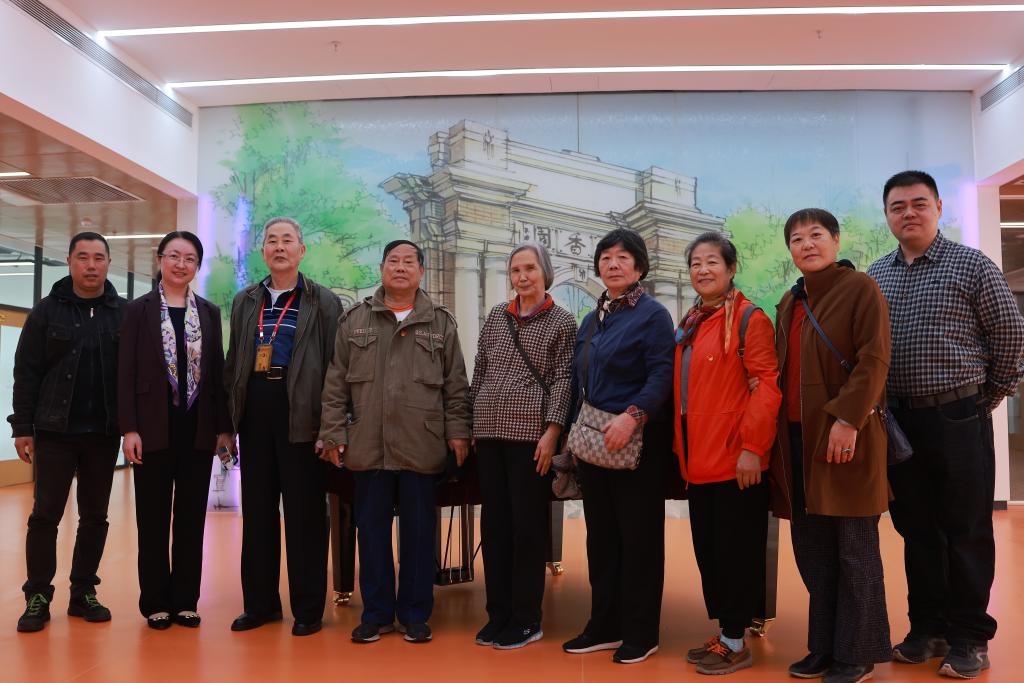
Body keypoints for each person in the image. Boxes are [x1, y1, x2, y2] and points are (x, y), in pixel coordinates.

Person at [867, 170, 1024, 679]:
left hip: (958, 415)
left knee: (966, 529)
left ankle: (969, 637)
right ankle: (927, 629)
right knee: (916, 530)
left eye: (918, 203)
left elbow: (1011, 336)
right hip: (899, 420)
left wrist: (984, 399)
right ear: (887, 215)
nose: (908, 213)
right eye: (897, 206)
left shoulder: (972, 265)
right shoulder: (877, 274)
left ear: (938, 207)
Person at [319, 239, 471, 645]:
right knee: (371, 534)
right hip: (369, 446)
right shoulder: (355, 320)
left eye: (408, 262)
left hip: (421, 445)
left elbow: (456, 386)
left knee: (419, 536)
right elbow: (335, 384)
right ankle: (377, 614)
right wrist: (333, 432)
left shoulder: (440, 323)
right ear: (382, 269)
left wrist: (458, 432)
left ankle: (415, 615)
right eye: (393, 261)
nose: (400, 267)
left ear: (421, 271)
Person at [770, 209, 892, 683]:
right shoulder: (790, 301)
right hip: (797, 444)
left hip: (847, 438)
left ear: (836, 241)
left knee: (854, 550)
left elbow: (874, 359)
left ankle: (857, 653)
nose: (807, 244)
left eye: (816, 235)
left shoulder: (860, 288)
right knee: (814, 551)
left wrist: (847, 418)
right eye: (796, 239)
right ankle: (823, 646)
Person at [223, 217, 342, 637]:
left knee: (305, 515)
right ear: (263, 251)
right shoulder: (245, 301)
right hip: (255, 413)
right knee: (257, 513)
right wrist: (228, 424)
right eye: (271, 241)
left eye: (287, 240)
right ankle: (260, 605)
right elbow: (234, 361)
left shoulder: (322, 301)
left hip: (303, 417)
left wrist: (331, 428)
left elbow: (336, 368)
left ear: (301, 250)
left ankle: (308, 609)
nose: (279, 247)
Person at [561, 228, 675, 665]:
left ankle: (641, 632)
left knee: (639, 541)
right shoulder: (593, 319)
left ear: (639, 266)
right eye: (606, 257)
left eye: (623, 257)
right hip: (595, 443)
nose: (612, 264)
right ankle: (604, 625)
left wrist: (633, 415)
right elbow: (580, 379)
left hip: (636, 443)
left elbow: (661, 374)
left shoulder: (653, 315)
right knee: (602, 540)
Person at [673, 232, 781, 675]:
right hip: (698, 459)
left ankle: (736, 641)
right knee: (711, 553)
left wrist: (753, 448)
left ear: (731, 269)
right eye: (695, 263)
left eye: (712, 262)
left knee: (737, 553)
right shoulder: (693, 321)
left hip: (736, 461)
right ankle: (726, 634)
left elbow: (767, 386)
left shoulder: (750, 319)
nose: (703, 270)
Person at [10, 232, 127, 632]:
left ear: (108, 262)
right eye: (83, 257)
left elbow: (134, 376)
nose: (91, 265)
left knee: (95, 516)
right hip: (54, 431)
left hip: (103, 433)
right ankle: (38, 596)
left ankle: (83, 592)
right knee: (46, 516)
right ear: (70, 262)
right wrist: (22, 426)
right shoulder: (46, 312)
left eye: (98, 257)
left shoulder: (124, 314)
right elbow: (26, 372)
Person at [118, 231, 233, 629]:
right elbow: (125, 372)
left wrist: (223, 429)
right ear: (160, 259)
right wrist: (129, 428)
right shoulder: (138, 310)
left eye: (190, 258)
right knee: (152, 521)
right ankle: (155, 601)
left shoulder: (209, 312)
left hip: (197, 430)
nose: (181, 264)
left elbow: (217, 375)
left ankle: (185, 599)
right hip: (152, 430)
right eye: (174, 256)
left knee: (190, 521)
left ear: (197, 266)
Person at [469, 242, 576, 649]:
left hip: (531, 437)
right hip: (489, 433)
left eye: (530, 268)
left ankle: (527, 619)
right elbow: (481, 368)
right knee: (495, 526)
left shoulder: (562, 321)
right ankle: (497, 614)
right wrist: (473, 421)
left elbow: (564, 378)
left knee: (527, 528)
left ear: (545, 272)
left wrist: (553, 430)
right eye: (516, 270)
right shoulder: (497, 315)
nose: (523, 276)